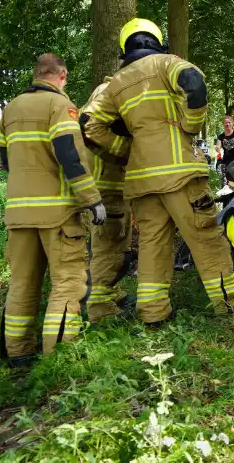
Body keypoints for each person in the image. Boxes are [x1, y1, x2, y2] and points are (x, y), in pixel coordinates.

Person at [82, 18, 234, 327]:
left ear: (126, 47)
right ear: (156, 40)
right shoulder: (168, 64)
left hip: (141, 179)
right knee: (205, 237)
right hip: (180, 175)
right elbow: (193, 82)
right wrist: (191, 125)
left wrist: (125, 149)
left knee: (153, 244)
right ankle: (231, 303)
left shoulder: (116, 83)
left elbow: (89, 125)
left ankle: (152, 312)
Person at [0, 53, 106, 367]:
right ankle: (57, 357)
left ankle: (18, 356)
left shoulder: (10, 109)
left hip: (18, 214)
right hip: (57, 213)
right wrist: (92, 199)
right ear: (62, 75)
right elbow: (69, 155)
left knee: (21, 283)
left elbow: (6, 162)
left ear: (36, 75)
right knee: (68, 283)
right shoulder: (60, 106)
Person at [83, 77, 132, 324]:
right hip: (109, 183)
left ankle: (109, 291)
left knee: (118, 240)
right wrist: (126, 150)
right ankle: (99, 306)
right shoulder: (115, 92)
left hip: (114, 182)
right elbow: (90, 128)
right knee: (108, 244)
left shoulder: (109, 91)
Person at [215, 115, 234, 180]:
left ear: (232, 123)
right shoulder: (221, 136)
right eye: (226, 123)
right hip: (227, 162)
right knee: (226, 182)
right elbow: (218, 146)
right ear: (223, 124)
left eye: (229, 122)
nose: (227, 124)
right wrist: (217, 148)